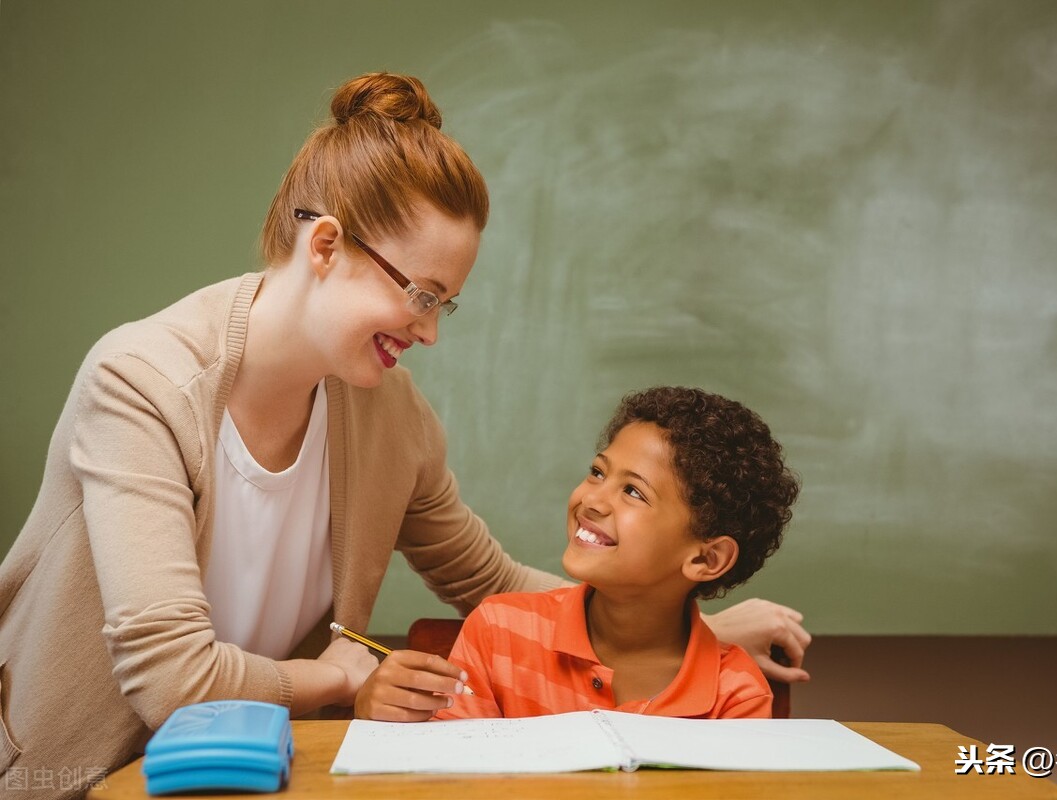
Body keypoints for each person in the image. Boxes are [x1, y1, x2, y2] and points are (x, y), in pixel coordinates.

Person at [0, 73, 809, 792]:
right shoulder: (142, 383)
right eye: (421, 295)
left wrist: (686, 625)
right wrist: (332, 679)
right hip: (72, 773)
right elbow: (170, 676)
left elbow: (488, 581)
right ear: (324, 246)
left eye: (443, 303)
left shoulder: (389, 413)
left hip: (252, 774)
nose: (429, 332)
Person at [403, 387, 800, 722]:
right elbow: (455, 781)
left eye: (633, 492)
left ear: (705, 560)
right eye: (597, 472)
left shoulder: (735, 696)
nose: (592, 499)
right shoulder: (496, 632)